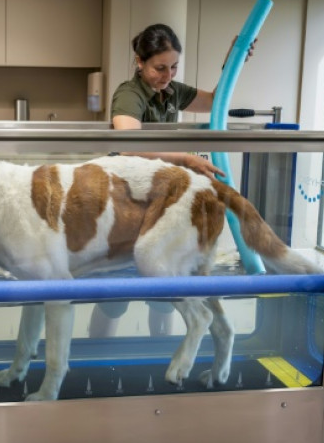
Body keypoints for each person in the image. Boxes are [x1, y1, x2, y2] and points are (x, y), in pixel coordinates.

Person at [88, 23, 254, 338]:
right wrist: (186, 158)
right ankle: (96, 358)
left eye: (173, 66)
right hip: (126, 206)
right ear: (140, 61)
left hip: (159, 205)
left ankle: (159, 355)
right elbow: (128, 144)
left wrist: (235, 59)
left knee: (166, 293)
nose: (167, 75)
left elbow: (215, 101)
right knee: (114, 297)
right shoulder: (129, 93)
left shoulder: (172, 92)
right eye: (159, 68)